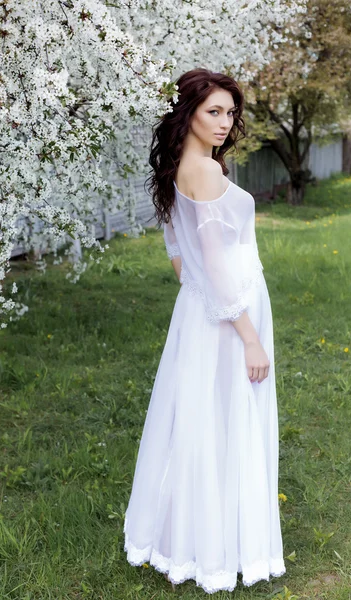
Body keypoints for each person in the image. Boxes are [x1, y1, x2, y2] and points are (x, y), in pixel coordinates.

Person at [123, 67, 286, 594]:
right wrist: (249, 334)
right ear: (187, 113)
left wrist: (203, 297)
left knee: (200, 420)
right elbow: (214, 263)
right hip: (228, 314)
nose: (225, 121)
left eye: (230, 112)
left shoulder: (181, 167)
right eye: (213, 111)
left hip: (202, 311)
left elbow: (178, 255)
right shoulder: (207, 172)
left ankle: (196, 537)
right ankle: (221, 547)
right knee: (226, 417)